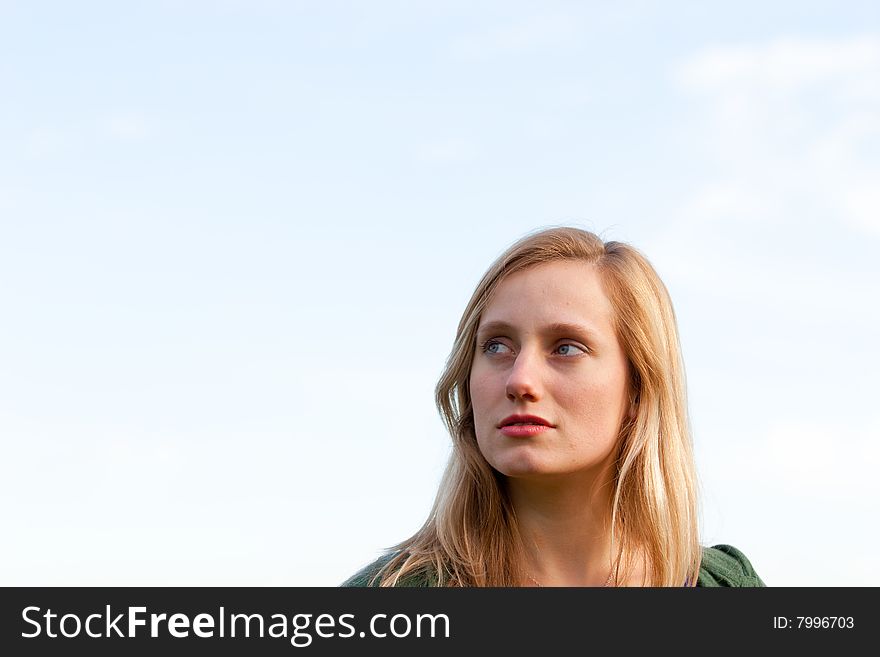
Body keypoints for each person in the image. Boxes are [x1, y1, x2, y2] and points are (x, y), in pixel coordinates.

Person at [342, 226, 764, 587]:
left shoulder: (725, 583)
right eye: (496, 346)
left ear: (638, 389)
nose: (520, 380)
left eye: (566, 347)